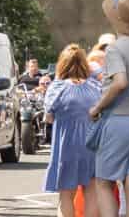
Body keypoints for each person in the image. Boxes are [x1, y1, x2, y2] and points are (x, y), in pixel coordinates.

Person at [90, 0, 129, 217]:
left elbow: (120, 82)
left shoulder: (115, 49)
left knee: (104, 182)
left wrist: (97, 107)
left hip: (120, 120)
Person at [42, 44, 101, 217]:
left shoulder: (57, 88)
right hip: (91, 146)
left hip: (66, 146)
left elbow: (48, 117)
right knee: (91, 194)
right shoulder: (95, 87)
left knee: (66, 197)